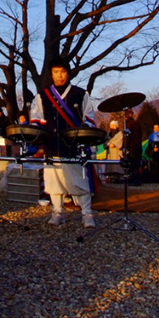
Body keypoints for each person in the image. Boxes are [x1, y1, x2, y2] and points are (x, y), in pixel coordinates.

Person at [29, 59, 98, 228]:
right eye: (55, 72)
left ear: (68, 73)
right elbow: (36, 119)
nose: (59, 76)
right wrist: (39, 136)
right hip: (52, 144)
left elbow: (89, 118)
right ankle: (57, 211)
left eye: (62, 72)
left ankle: (87, 213)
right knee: (54, 182)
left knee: (79, 181)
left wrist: (83, 136)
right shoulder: (42, 96)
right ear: (51, 74)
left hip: (73, 144)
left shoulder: (80, 94)